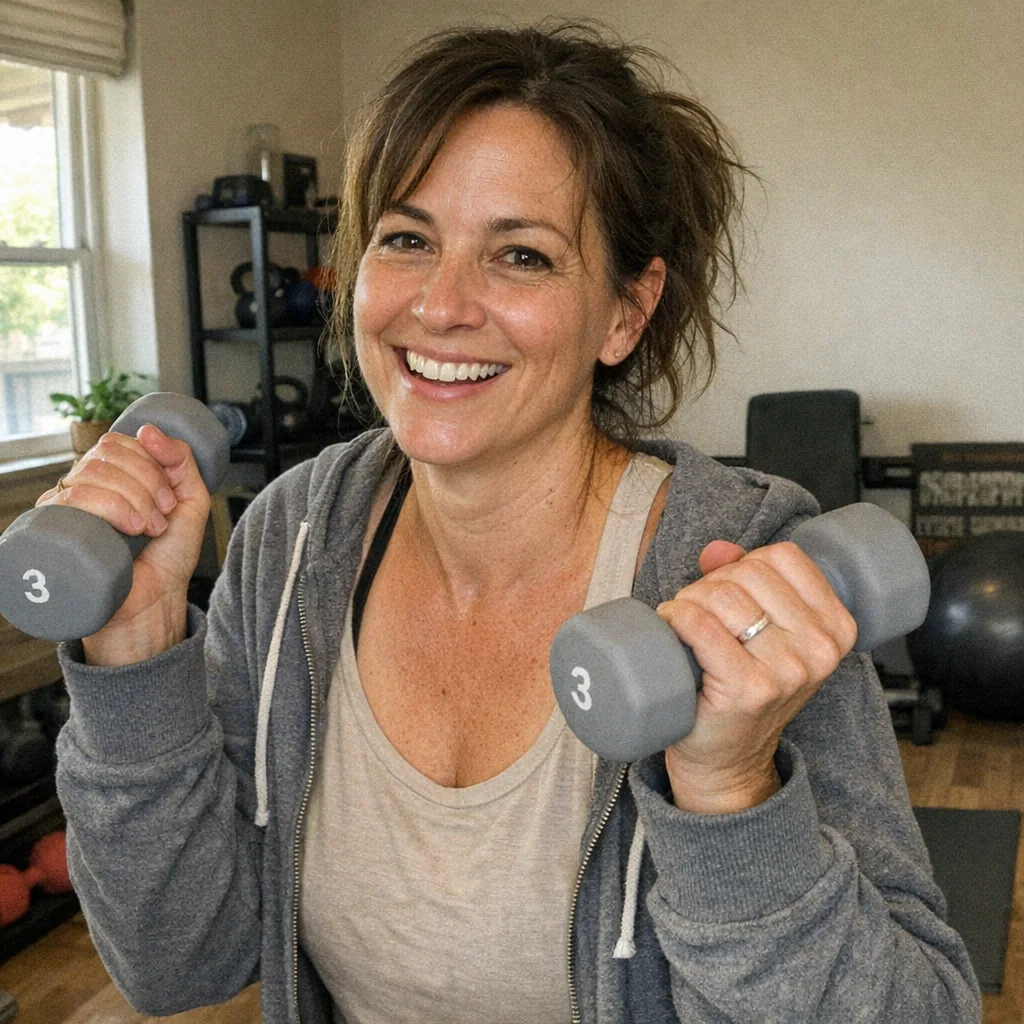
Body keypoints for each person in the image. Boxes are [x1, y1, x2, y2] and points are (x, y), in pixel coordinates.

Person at [44, 21, 979, 1024]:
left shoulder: (749, 581)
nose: (442, 305)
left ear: (625, 312)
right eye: (407, 240)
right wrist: (136, 654)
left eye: (521, 256)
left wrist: (732, 792)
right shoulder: (291, 539)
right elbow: (179, 960)